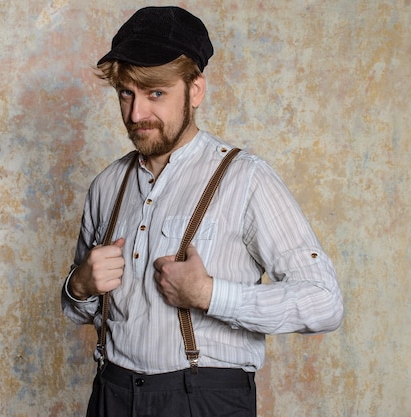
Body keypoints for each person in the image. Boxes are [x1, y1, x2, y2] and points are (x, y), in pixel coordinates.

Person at [62, 6, 343, 417]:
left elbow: (325, 302)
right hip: (112, 393)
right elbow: (76, 310)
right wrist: (81, 286)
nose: (137, 114)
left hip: (203, 399)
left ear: (195, 90)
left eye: (155, 93)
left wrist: (210, 295)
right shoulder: (106, 185)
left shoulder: (246, 179)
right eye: (127, 93)